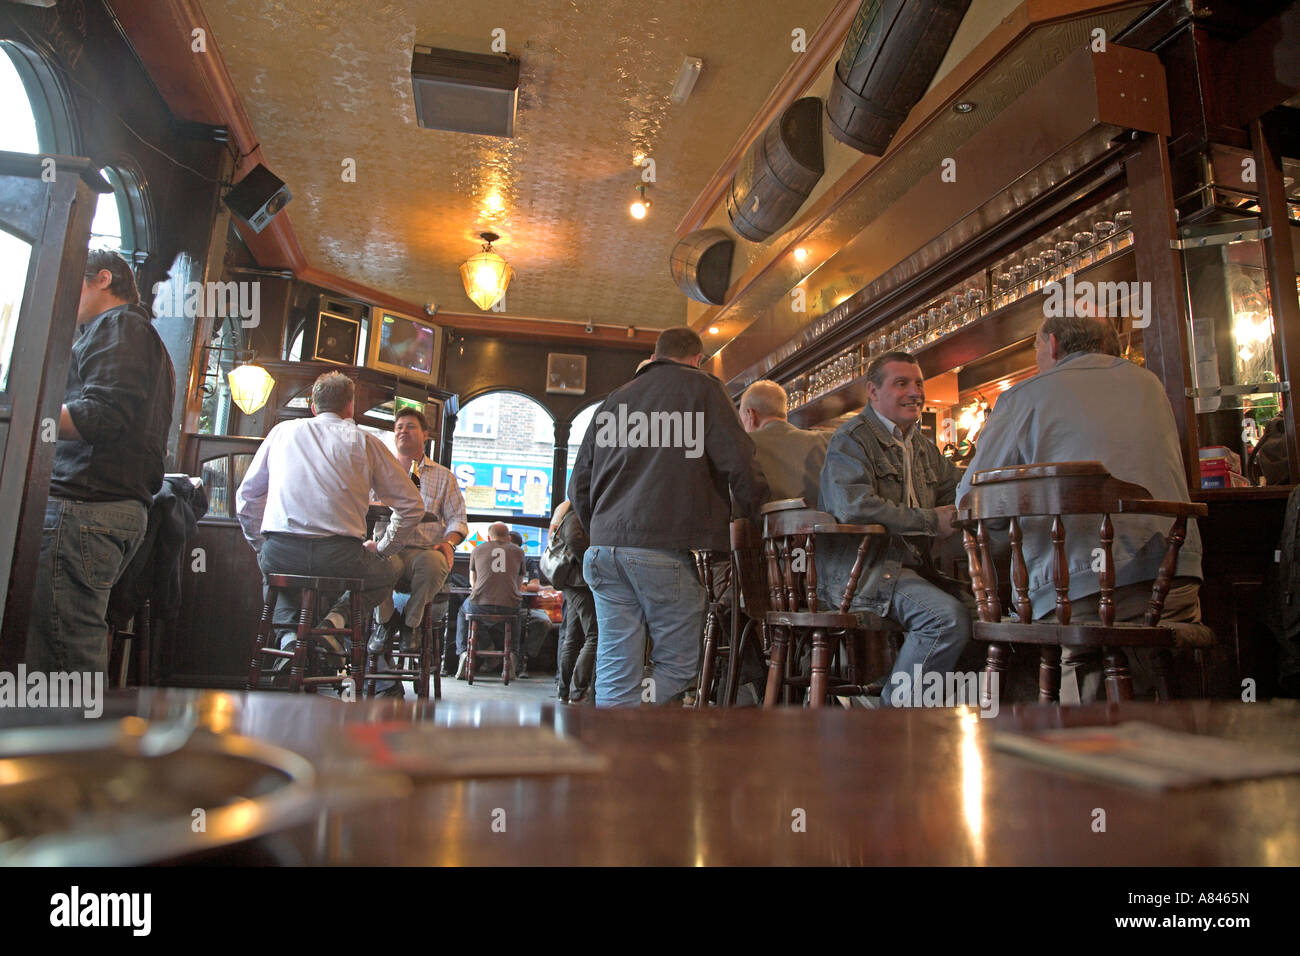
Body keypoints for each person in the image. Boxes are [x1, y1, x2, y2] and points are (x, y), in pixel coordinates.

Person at [955, 314, 1204, 703]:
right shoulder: (1151, 384)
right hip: (1173, 583)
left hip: (1082, 591)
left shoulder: (1024, 396)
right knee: (1147, 668)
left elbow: (971, 501)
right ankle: (1163, 748)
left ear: (1052, 345)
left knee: (1081, 664)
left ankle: (1080, 747)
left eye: (1036, 348)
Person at [569, 327, 768, 707]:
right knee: (681, 665)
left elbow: (578, 484)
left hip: (604, 553)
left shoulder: (613, 401)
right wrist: (760, 519)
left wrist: (603, 527)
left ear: (656, 354)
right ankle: (638, 722)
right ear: (697, 359)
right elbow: (739, 463)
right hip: (661, 549)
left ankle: (617, 744)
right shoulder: (702, 389)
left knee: (616, 667)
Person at [26, 250, 176, 675]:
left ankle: (73, 741)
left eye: (71, 280)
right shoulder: (142, 337)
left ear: (103, 279)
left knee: (62, 649)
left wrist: (30, 423)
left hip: (85, 504)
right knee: (67, 641)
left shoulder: (118, 326)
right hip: (110, 507)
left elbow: (101, 415)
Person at [235, 371, 424, 672]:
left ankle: (287, 639)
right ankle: (333, 625)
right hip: (340, 558)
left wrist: (261, 543)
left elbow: (246, 498)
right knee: (390, 569)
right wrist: (385, 548)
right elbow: (412, 506)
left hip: (283, 551)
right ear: (351, 407)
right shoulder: (365, 441)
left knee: (272, 567)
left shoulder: (282, 432)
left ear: (313, 406)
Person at [819, 351, 969, 706]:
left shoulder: (922, 446)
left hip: (911, 570)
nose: (915, 392)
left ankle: (889, 701)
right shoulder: (851, 439)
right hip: (863, 572)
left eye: (918, 383)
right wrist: (932, 521)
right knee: (946, 621)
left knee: (986, 622)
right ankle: (890, 720)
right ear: (872, 391)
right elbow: (853, 507)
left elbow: (957, 488)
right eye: (901, 383)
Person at [365, 406, 467, 695]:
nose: (402, 431)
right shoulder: (380, 470)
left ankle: (411, 624)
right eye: (398, 427)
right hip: (388, 547)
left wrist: (449, 542)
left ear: (425, 435)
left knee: (435, 563)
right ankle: (385, 623)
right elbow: (362, 505)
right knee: (374, 562)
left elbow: (458, 518)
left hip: (424, 550)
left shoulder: (443, 476)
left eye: (410, 426)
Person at [739, 379, 830, 506]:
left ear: (750, 414)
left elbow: (738, 511)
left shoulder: (745, 445)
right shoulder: (826, 441)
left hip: (772, 525)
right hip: (826, 524)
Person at [455, 522, 526, 678]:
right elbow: (519, 582)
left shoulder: (478, 549)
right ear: (508, 538)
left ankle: (463, 653)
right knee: (517, 617)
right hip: (509, 605)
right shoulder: (519, 552)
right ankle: (512, 657)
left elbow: (473, 581)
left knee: (463, 611)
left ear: (488, 537)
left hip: (480, 605)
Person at [549, 499, 598, 703]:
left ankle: (565, 690)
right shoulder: (576, 513)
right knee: (594, 636)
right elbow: (575, 539)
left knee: (573, 637)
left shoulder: (568, 512)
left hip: (572, 582)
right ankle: (578, 691)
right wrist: (592, 563)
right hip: (581, 582)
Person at [509, 530, 552, 678]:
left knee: (544, 621)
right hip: (506, 606)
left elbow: (534, 586)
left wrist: (524, 586)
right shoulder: (499, 560)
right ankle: (496, 659)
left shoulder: (527, 561)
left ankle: (524, 658)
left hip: (525, 607)